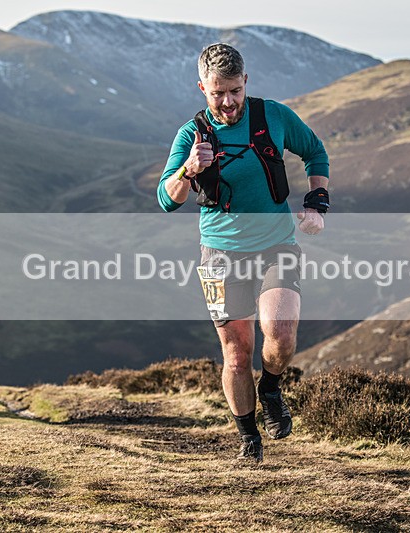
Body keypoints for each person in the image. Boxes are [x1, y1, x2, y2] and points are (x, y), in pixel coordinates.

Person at [157, 43, 330, 463]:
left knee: (282, 334)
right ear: (202, 88)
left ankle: (271, 387)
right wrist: (189, 170)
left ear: (245, 82)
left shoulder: (273, 115)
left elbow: (315, 151)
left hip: (276, 244)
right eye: (218, 93)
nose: (228, 102)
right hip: (219, 254)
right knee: (236, 354)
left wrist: (317, 199)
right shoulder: (190, 134)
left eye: (235, 90)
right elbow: (167, 198)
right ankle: (249, 439)